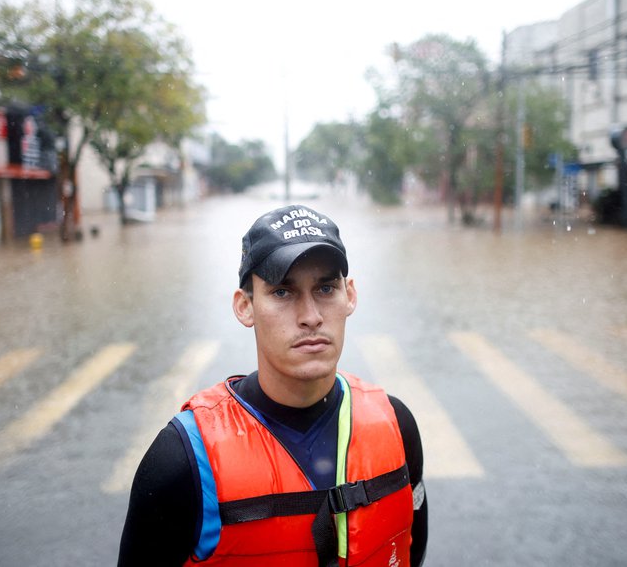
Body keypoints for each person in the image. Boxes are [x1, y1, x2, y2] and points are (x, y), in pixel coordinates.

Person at [118, 204, 427, 566]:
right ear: (245, 306)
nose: (311, 317)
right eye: (282, 292)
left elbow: (412, 547)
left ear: (350, 296)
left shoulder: (397, 426)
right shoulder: (181, 461)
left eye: (326, 288)